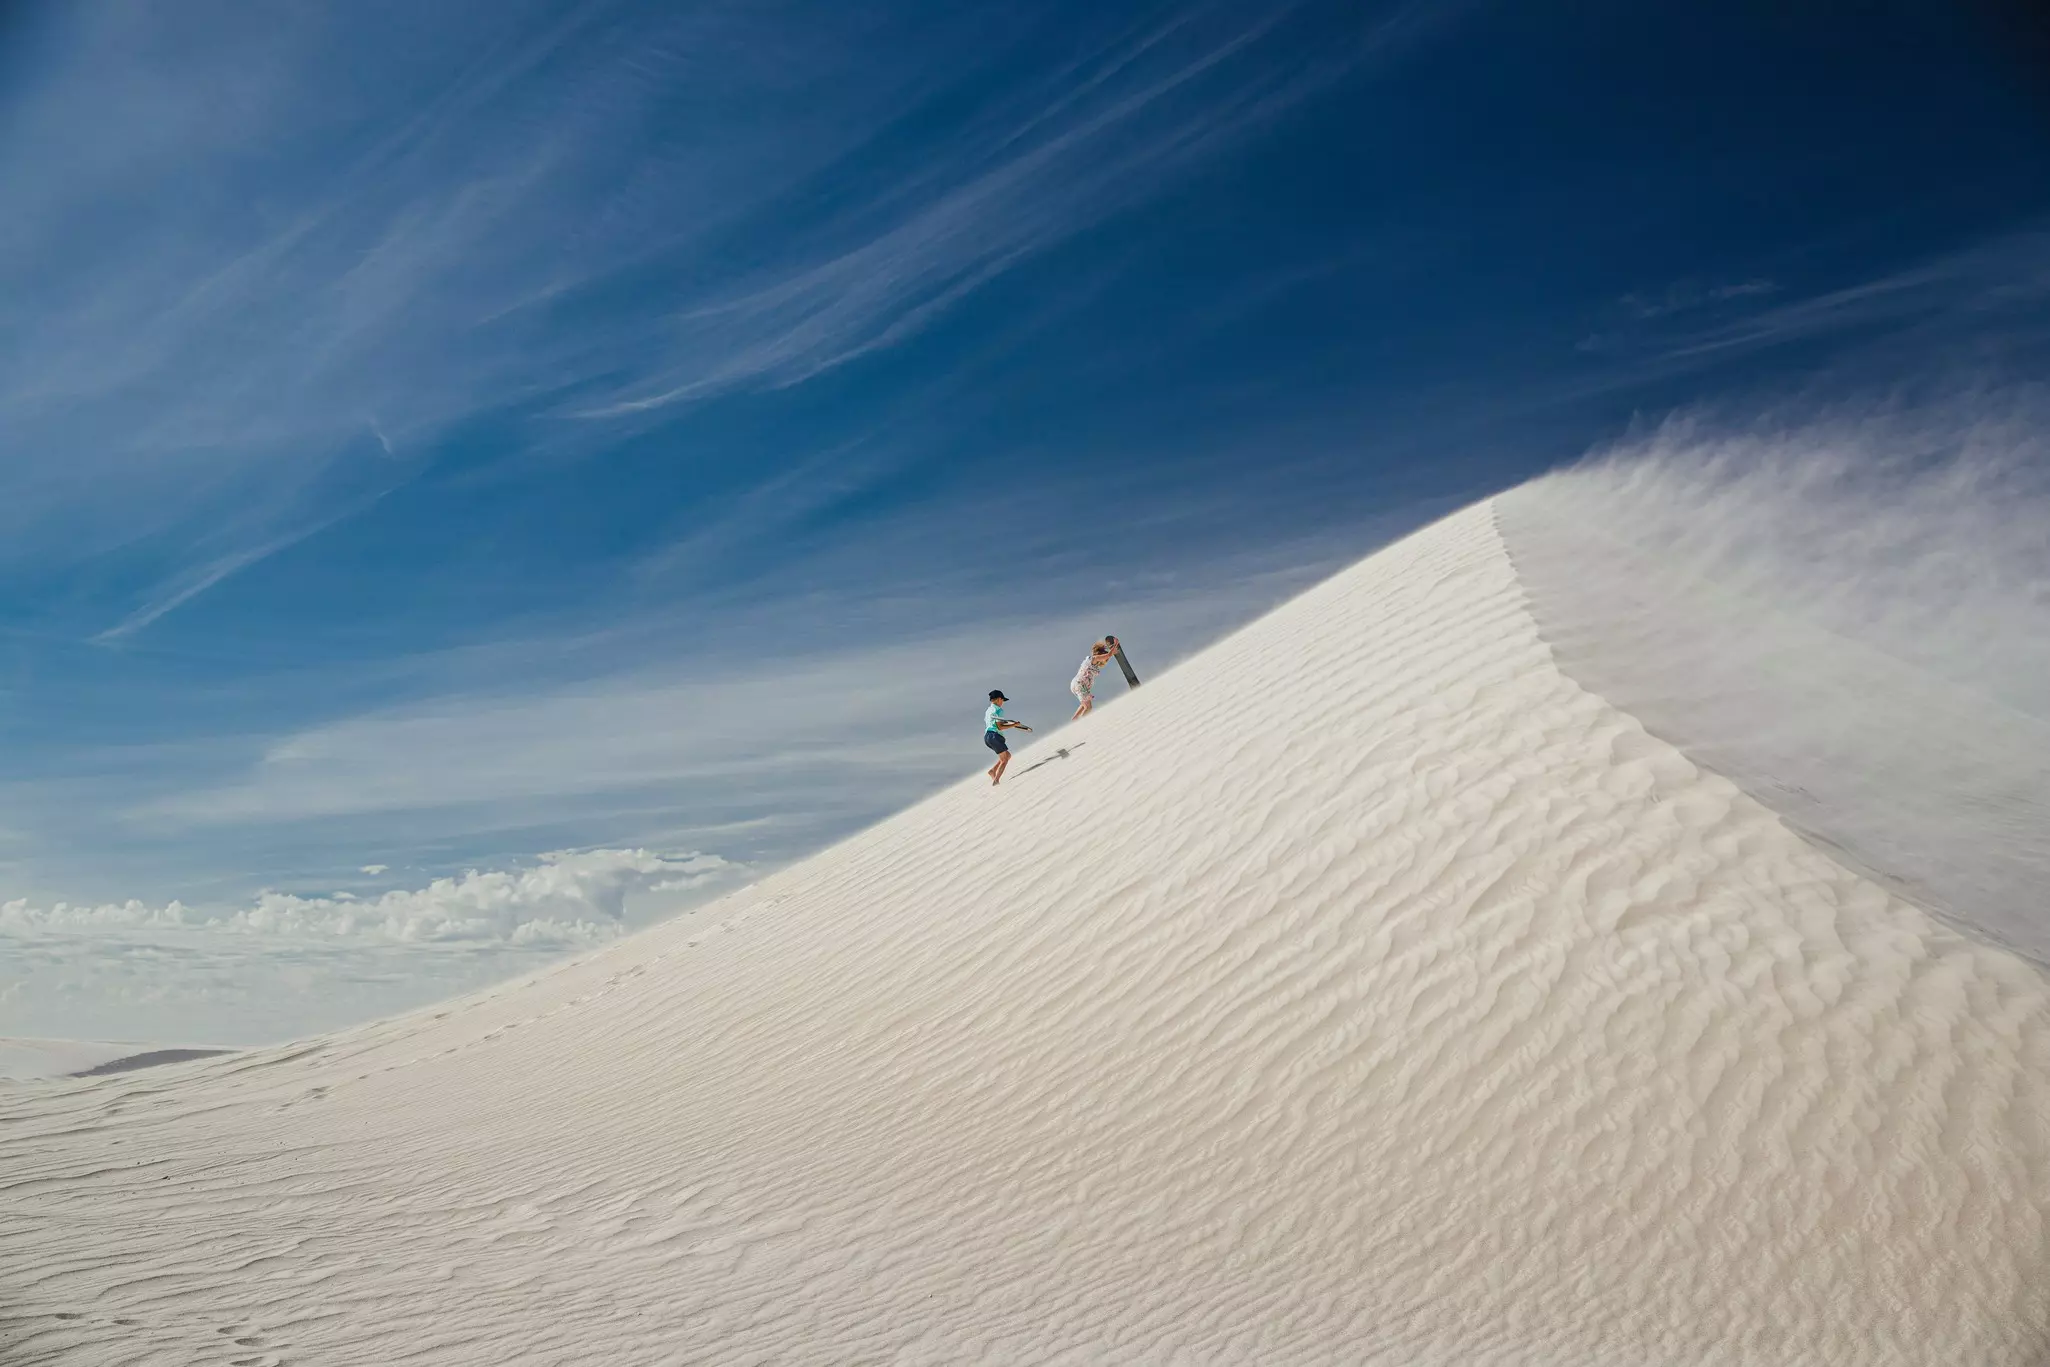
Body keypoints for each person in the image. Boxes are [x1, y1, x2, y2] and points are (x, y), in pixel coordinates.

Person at [984, 689, 1031, 785]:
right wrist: (1014, 725)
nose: (1003, 703)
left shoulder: (988, 711)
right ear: (998, 699)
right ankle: (996, 781)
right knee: (1005, 759)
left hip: (987, 737)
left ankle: (993, 771)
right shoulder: (998, 710)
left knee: (1007, 756)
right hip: (994, 736)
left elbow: (993, 723)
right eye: (1002, 700)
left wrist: (1011, 723)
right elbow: (999, 726)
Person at [1070, 639, 1116, 720]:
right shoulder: (1094, 658)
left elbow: (1106, 657)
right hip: (1080, 683)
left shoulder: (1090, 662)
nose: (1103, 660)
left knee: (1084, 704)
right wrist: (1116, 644)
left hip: (1076, 684)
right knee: (1088, 707)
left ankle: (1075, 718)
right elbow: (1108, 655)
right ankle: (1081, 725)